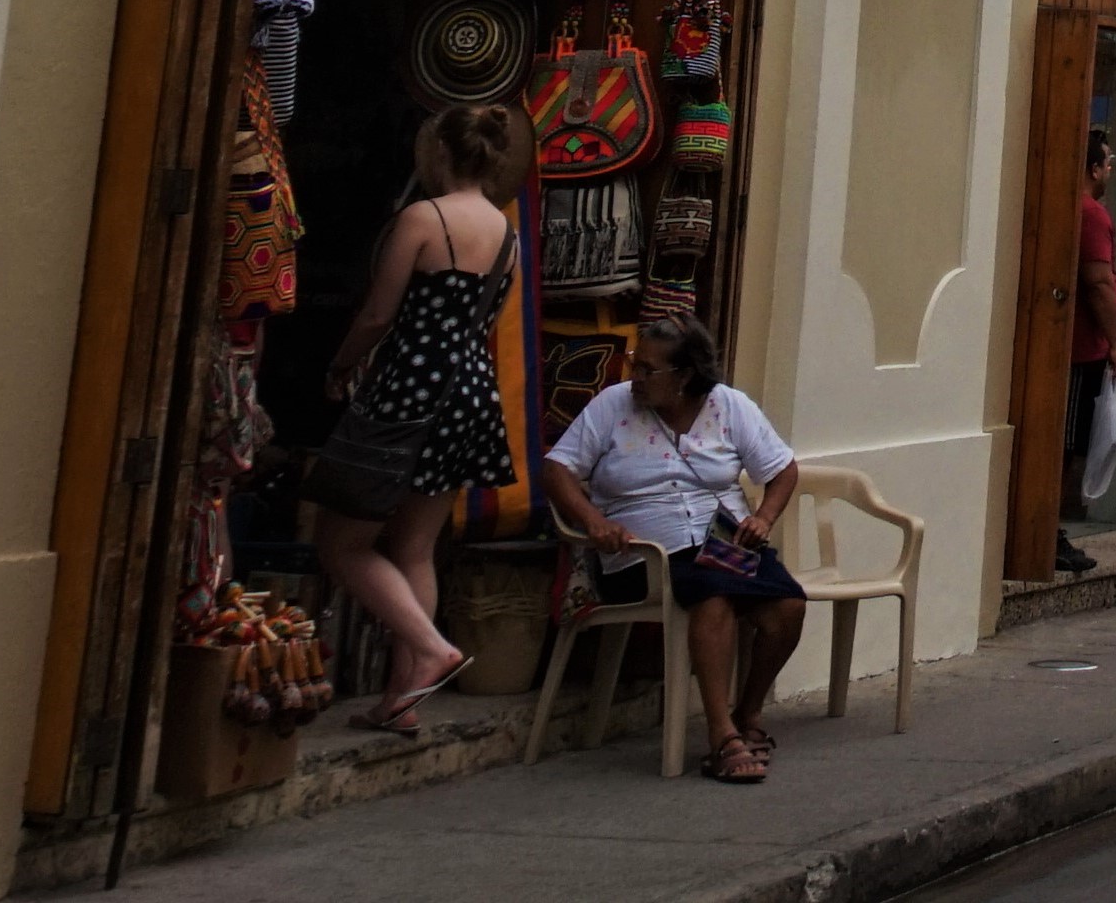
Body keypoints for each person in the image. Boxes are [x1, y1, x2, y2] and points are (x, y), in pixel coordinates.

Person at [310, 103, 525, 728]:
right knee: (415, 547)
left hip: (410, 388)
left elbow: (379, 315)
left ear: (437, 153)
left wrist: (340, 366)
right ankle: (403, 700)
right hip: (471, 393)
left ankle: (432, 650)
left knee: (341, 543)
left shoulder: (423, 218)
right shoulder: (505, 232)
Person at [541, 316, 805, 783]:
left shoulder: (729, 406)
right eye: (634, 365)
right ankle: (722, 738)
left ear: (684, 376)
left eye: (647, 370)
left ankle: (747, 713)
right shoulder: (613, 405)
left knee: (787, 605)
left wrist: (762, 518)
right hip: (643, 556)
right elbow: (558, 469)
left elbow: (782, 470)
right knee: (712, 593)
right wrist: (594, 520)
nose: (634, 377)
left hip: (720, 543)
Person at [1060, 127, 1116, 576]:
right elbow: (1098, 281)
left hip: (1080, 345)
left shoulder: (1075, 209)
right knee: (1071, 447)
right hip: (1083, 350)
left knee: (1073, 444)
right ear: (1094, 167)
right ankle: (1052, 529)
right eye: (1108, 160)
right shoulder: (1091, 214)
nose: (1111, 169)